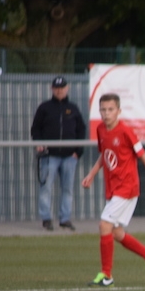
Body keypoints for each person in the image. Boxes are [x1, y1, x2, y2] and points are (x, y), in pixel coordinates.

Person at [81, 93, 145, 288]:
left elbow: (143, 156)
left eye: (110, 109)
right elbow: (105, 154)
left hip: (127, 187)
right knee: (116, 233)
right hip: (114, 188)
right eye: (103, 110)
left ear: (119, 111)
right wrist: (92, 174)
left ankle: (107, 275)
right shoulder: (101, 129)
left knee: (104, 225)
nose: (106, 113)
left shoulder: (126, 132)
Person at [30, 76, 87, 231]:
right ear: (52, 89)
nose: (59, 91)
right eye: (56, 88)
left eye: (62, 88)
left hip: (69, 157)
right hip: (49, 156)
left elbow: (81, 129)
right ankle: (46, 218)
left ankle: (65, 218)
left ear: (67, 89)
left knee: (67, 189)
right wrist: (39, 143)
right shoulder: (44, 108)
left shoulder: (73, 108)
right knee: (46, 188)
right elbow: (35, 129)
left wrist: (78, 151)